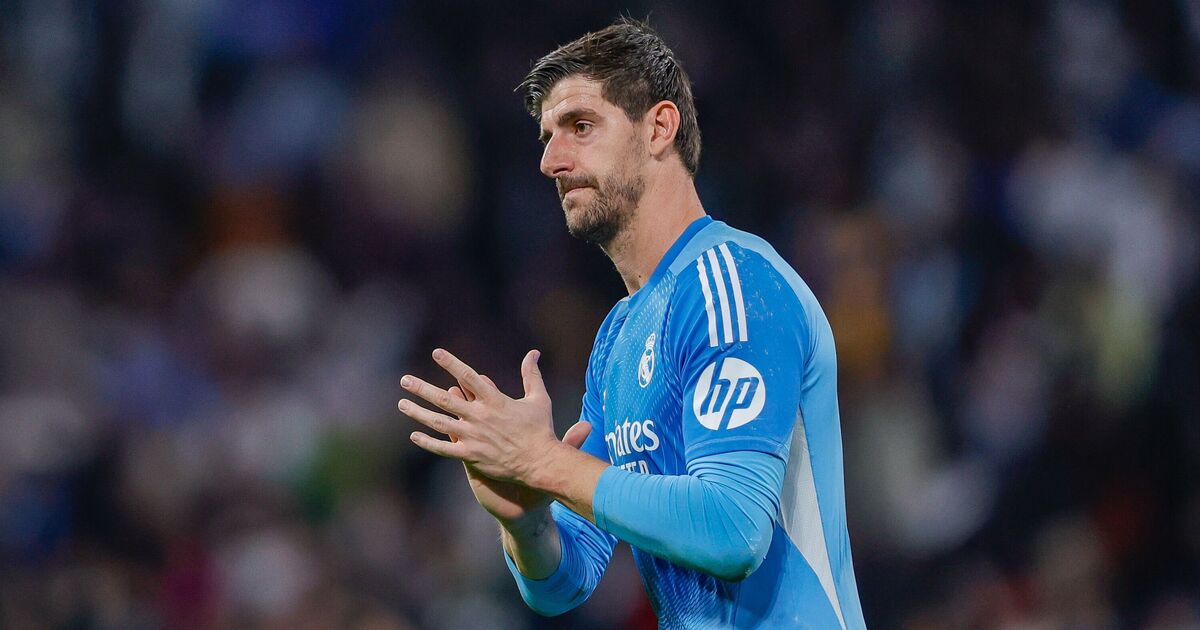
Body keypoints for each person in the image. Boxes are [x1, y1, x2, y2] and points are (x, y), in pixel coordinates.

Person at [397, 17, 866, 629]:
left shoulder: (730, 283)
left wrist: (542, 462)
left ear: (659, 128)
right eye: (547, 137)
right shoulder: (619, 335)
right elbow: (564, 582)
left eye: (580, 126)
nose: (550, 161)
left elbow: (732, 528)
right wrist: (525, 516)